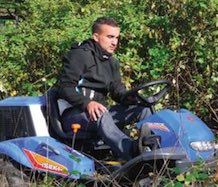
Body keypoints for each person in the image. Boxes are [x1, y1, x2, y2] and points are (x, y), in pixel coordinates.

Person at [57, 17, 152, 160]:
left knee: (144, 109)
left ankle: (154, 148)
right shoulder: (80, 55)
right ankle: (132, 153)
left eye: (116, 38)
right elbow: (65, 88)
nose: (114, 42)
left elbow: (117, 92)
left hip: (100, 114)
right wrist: (87, 103)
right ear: (96, 36)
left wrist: (132, 98)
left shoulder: (111, 62)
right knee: (101, 112)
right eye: (110, 37)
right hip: (74, 114)